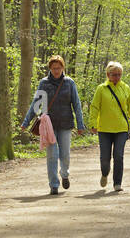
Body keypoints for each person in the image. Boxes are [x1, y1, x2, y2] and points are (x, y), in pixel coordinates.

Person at [19, 55, 86, 196]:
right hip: (48, 125)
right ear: (50, 68)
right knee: (52, 155)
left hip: (66, 123)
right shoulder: (44, 83)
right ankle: (54, 185)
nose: (56, 71)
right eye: (54, 68)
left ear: (63, 68)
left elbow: (77, 105)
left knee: (65, 155)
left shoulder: (69, 83)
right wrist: (26, 122)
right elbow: (36, 105)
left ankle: (65, 174)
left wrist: (80, 125)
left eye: (59, 68)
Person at [89, 61, 130, 192]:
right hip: (104, 128)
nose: (116, 77)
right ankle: (105, 173)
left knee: (118, 156)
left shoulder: (125, 88)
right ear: (108, 75)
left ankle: (117, 183)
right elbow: (94, 107)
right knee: (105, 158)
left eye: (119, 75)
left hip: (121, 128)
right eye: (114, 75)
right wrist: (93, 124)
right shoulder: (101, 88)